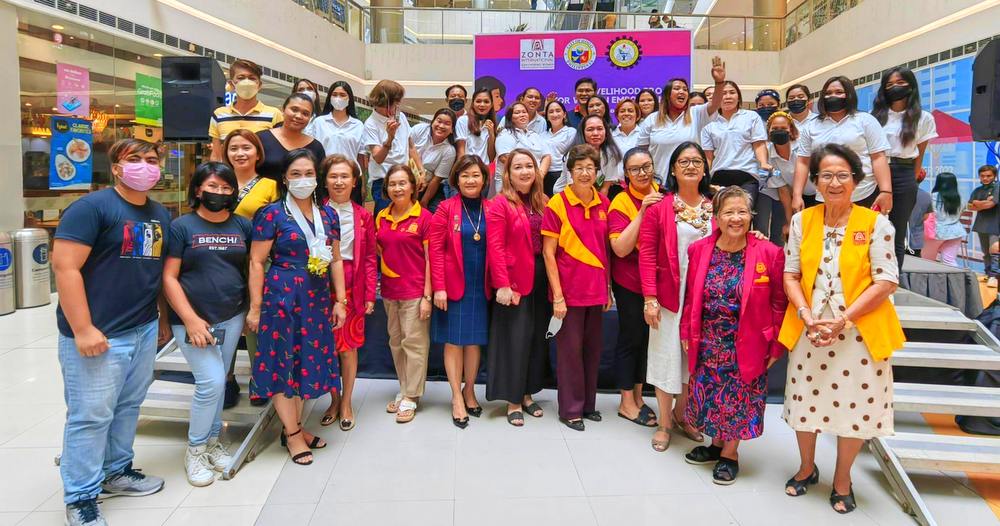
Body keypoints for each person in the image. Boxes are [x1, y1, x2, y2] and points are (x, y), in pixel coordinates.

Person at [779, 143, 903, 515]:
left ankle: (843, 479)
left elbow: (886, 281)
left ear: (856, 181)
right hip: (811, 327)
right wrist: (804, 313)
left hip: (858, 330)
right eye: (826, 176)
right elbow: (791, 273)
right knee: (805, 401)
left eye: (842, 175)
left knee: (855, 407)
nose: (834, 183)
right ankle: (805, 467)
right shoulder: (803, 221)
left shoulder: (876, 223)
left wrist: (844, 320)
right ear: (815, 181)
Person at [53, 139, 170, 526]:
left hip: (141, 329)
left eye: (151, 160)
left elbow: (152, 274)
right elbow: (66, 268)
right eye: (134, 159)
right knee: (90, 415)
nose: (144, 166)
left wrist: (160, 323)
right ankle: (81, 495)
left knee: (128, 406)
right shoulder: (92, 208)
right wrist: (83, 329)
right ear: (116, 168)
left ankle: (117, 471)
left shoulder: (158, 213)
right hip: (97, 334)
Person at [680, 185, 786, 485]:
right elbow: (691, 296)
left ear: (751, 216)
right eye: (729, 212)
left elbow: (779, 302)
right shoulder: (700, 249)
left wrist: (776, 346)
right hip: (708, 338)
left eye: (742, 212)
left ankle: (730, 453)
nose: (736, 218)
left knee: (738, 398)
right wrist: (687, 331)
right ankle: (715, 445)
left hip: (748, 340)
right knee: (711, 394)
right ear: (716, 217)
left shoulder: (768, 252)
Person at [247, 149, 347, 465]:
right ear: (285, 179)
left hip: (316, 298)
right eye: (295, 174)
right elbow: (257, 261)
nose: (302, 180)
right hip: (282, 296)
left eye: (308, 174)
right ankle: (291, 434)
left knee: (306, 362)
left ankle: (296, 427)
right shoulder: (272, 215)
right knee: (282, 364)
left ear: (316, 179)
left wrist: (341, 301)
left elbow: (336, 260)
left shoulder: (329, 215)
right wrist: (255, 306)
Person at [162, 162, 250, 487]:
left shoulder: (242, 226)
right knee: (211, 383)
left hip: (232, 314)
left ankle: (213, 443)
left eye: (226, 188)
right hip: (193, 319)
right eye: (212, 187)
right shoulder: (182, 226)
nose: (219, 193)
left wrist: (251, 310)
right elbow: (169, 278)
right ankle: (195, 449)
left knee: (219, 383)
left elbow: (249, 270)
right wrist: (190, 319)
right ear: (198, 189)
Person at [638, 141, 714, 451]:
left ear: (705, 168)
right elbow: (646, 254)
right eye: (684, 161)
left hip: (705, 298)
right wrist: (649, 298)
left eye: (697, 161)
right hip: (669, 296)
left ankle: (684, 416)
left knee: (691, 361)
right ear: (673, 169)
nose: (691, 166)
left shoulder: (715, 205)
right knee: (666, 358)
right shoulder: (659, 207)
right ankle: (665, 422)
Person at [542, 144, 613, 431]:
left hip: (596, 291)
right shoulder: (557, 204)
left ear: (597, 173)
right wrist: (558, 296)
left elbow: (605, 251)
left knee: (592, 350)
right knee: (569, 352)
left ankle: (588, 404)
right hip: (567, 293)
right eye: (579, 168)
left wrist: (607, 289)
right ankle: (570, 409)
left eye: (590, 168)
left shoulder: (604, 204)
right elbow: (548, 253)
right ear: (570, 172)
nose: (585, 173)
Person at [486, 148, 552, 426]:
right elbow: (496, 246)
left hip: (541, 277)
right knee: (515, 339)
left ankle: (526, 393)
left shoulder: (544, 202)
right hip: (514, 281)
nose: (525, 171)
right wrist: (502, 283)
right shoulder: (500, 203)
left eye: (529, 166)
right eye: (518, 167)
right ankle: (513, 400)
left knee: (536, 338)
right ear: (508, 174)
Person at [430, 155, 493, 428]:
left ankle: (470, 389)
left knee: (474, 341)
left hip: (482, 284)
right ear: (456, 179)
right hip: (454, 284)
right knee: (454, 341)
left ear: (484, 179)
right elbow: (435, 249)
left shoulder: (492, 208)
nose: (471, 180)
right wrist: (439, 287)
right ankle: (456, 396)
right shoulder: (445, 208)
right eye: (465, 175)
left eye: (476, 175)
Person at [317, 155, 377, 432]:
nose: (339, 181)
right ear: (325, 180)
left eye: (345, 176)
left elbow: (368, 258)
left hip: (353, 287)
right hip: (319, 286)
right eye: (333, 176)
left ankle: (347, 401)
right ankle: (334, 398)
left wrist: (368, 295)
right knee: (326, 347)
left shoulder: (364, 216)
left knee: (348, 348)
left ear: (355, 181)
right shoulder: (314, 211)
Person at [608, 147, 661, 427]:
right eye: (635, 169)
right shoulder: (621, 202)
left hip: (656, 280)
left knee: (646, 340)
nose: (642, 173)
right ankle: (626, 401)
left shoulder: (664, 194)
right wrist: (642, 212)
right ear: (626, 174)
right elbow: (619, 248)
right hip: (629, 280)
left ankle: (639, 397)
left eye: (646, 167)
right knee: (630, 338)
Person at [376, 165, 433, 424]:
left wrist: (427, 296)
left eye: (402, 183)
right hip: (389, 291)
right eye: (392, 184)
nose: (397, 188)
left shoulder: (424, 218)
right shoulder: (381, 217)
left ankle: (412, 394)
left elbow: (432, 260)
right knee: (396, 342)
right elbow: (379, 252)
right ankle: (404, 387)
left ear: (413, 186)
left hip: (415, 292)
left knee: (415, 344)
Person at [792, 76, 891, 213]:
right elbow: (802, 161)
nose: (833, 96)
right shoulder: (812, 126)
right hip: (825, 195)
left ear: (849, 95)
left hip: (864, 193)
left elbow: (878, 157)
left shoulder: (866, 120)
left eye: (839, 92)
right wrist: (797, 195)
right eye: (828, 93)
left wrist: (886, 191)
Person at [872, 67, 938, 269]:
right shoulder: (874, 116)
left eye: (900, 83)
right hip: (874, 172)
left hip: (904, 172)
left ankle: (893, 281)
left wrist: (914, 177)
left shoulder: (923, 117)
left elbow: (921, 151)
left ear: (911, 86)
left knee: (897, 231)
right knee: (871, 226)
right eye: (890, 84)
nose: (895, 87)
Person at [636, 56, 726, 184]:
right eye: (677, 88)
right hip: (658, 183)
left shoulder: (695, 113)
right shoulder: (652, 119)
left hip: (689, 183)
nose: (682, 92)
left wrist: (719, 83)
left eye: (685, 89)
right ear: (667, 94)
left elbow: (715, 104)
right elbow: (641, 153)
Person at [701, 80, 771, 207]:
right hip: (719, 175)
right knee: (720, 216)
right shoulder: (709, 124)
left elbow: (759, 144)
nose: (727, 96)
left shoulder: (751, 116)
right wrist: (704, 176)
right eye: (723, 93)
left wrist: (763, 163)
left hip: (747, 175)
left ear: (738, 97)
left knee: (744, 214)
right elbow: (708, 156)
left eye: (732, 92)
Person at [365, 80, 424, 215]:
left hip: (404, 177)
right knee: (385, 219)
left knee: (407, 217)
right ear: (385, 102)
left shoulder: (400, 117)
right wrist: (390, 138)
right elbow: (378, 158)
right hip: (383, 181)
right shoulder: (370, 124)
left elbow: (411, 146)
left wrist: (421, 170)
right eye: (395, 102)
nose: (398, 105)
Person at [209, 59, 282, 162]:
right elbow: (216, 155)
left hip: (263, 177)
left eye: (252, 78)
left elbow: (278, 153)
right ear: (231, 84)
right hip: (228, 177)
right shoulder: (219, 115)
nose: (247, 82)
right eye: (241, 78)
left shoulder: (274, 115)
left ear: (259, 85)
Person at [307, 81, 367, 205]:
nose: (338, 98)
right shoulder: (319, 122)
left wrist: (363, 184)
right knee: (325, 215)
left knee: (351, 216)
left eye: (342, 95)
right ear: (329, 98)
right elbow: (311, 153)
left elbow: (361, 157)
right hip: (325, 177)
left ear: (349, 98)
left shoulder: (358, 125)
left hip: (351, 178)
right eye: (334, 94)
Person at [760, 111, 812, 244]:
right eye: (775, 129)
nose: (779, 131)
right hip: (794, 196)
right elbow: (782, 190)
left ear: (791, 130)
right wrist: (790, 222)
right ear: (768, 131)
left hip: (817, 193)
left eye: (783, 128)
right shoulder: (768, 155)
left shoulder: (803, 146)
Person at [256, 94, 326, 181]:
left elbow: (320, 180)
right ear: (283, 109)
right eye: (294, 110)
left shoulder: (316, 147)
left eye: (305, 113)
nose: (298, 116)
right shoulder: (261, 139)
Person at [553, 115, 623, 197]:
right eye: (590, 129)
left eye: (600, 129)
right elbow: (573, 186)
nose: (595, 133)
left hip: (594, 194)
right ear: (583, 133)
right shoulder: (574, 153)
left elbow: (605, 188)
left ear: (606, 132)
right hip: (566, 195)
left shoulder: (611, 154)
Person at [495, 101, 553, 191]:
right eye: (517, 113)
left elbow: (547, 156)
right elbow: (504, 158)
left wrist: (539, 175)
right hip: (511, 186)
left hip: (534, 183)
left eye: (524, 112)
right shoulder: (505, 134)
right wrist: (527, 174)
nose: (522, 115)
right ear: (510, 117)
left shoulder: (534, 135)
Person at [412, 108, 458, 211]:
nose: (441, 126)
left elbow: (436, 179)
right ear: (432, 122)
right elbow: (407, 148)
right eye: (439, 121)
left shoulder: (449, 151)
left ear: (452, 130)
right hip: (406, 180)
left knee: (434, 212)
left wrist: (424, 202)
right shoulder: (419, 129)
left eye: (447, 123)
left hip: (427, 187)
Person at [922, 172, 965, 266]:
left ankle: (928, 281)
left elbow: (925, 214)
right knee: (949, 261)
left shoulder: (931, 196)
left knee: (926, 261)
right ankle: (956, 280)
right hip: (956, 232)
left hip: (936, 233)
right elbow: (960, 214)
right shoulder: (959, 198)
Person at [542, 100, 577, 196]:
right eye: (551, 112)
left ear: (564, 114)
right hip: (544, 175)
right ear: (547, 116)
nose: (554, 114)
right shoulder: (542, 135)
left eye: (558, 111)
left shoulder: (571, 132)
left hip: (562, 174)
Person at [455, 87, 497, 165]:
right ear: (473, 104)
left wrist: (491, 134)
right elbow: (461, 150)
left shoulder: (491, 124)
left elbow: (491, 158)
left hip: (484, 170)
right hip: (467, 167)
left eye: (486, 102)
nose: (482, 105)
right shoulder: (464, 120)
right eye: (478, 101)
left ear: (491, 105)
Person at [969, 165, 999, 275]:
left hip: (995, 226)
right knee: (986, 253)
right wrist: (982, 203)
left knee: (995, 252)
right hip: (982, 226)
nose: (985, 178)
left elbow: (991, 204)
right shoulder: (977, 190)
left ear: (995, 176)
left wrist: (977, 203)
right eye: (982, 176)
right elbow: (969, 206)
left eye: (988, 176)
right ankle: (988, 273)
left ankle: (995, 276)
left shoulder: (997, 188)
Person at [612, 99, 642, 181]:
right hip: (614, 185)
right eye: (622, 111)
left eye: (630, 111)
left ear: (637, 115)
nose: (626, 113)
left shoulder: (644, 134)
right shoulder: (610, 135)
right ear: (617, 115)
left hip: (639, 182)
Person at [907, 172, 933, 257]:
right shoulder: (926, 196)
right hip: (916, 240)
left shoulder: (897, 195)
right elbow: (925, 216)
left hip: (897, 240)